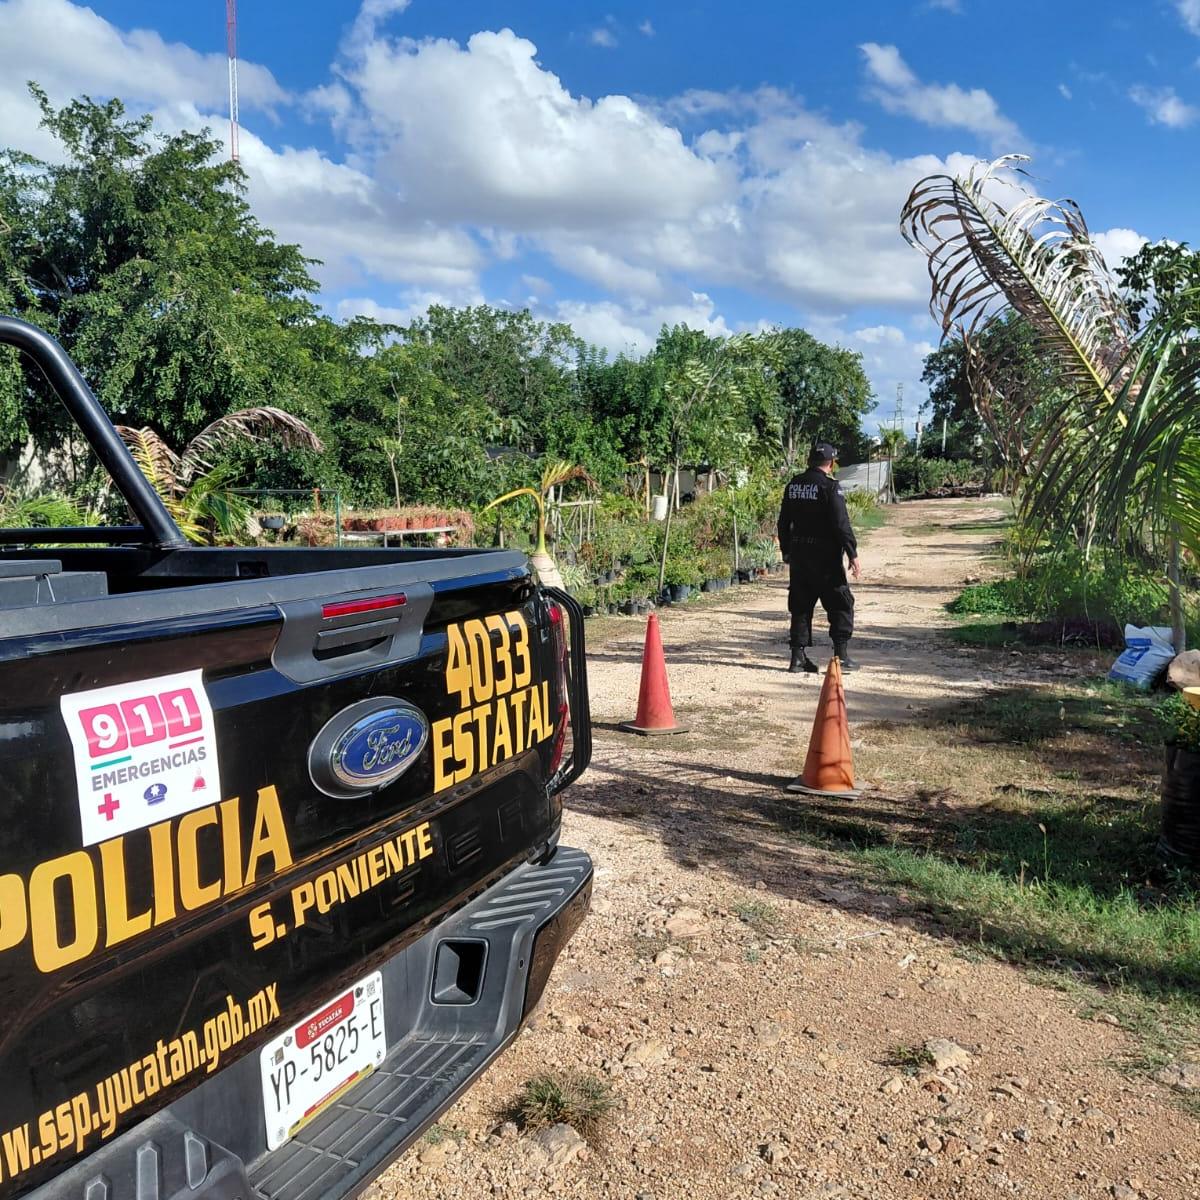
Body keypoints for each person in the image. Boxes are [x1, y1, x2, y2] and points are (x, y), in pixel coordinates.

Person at [776, 442, 861, 674]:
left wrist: (786, 550)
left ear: (808, 461)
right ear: (831, 463)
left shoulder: (793, 485)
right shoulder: (830, 487)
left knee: (801, 605)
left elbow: (783, 522)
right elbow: (841, 524)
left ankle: (797, 658)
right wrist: (852, 553)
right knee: (841, 603)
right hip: (826, 559)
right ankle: (841, 656)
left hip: (800, 556)